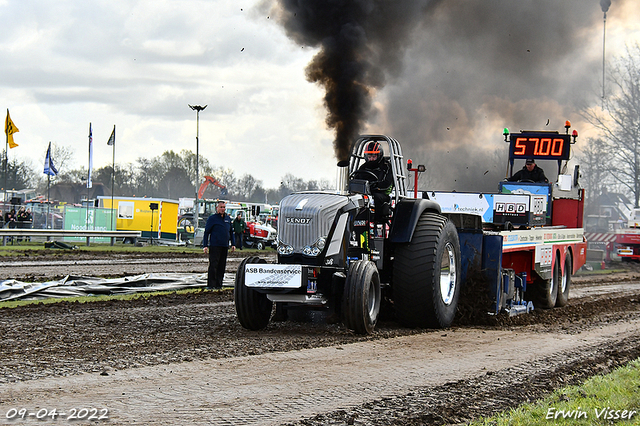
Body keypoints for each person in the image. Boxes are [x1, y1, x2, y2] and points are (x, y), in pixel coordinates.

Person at [355, 141, 394, 220]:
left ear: (379, 155)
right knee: (354, 199)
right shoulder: (363, 167)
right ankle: (354, 221)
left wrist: (375, 186)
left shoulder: (386, 166)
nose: (371, 159)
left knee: (376, 197)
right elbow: (356, 179)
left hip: (382, 194)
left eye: (373, 156)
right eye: (369, 156)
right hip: (364, 193)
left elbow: (387, 183)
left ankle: (376, 220)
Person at [202, 200, 235, 290]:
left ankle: (219, 284)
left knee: (222, 266)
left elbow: (231, 232)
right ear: (217, 208)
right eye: (221, 207)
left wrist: (233, 244)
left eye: (224, 207)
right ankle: (211, 285)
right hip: (215, 245)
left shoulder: (228, 219)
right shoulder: (212, 219)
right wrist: (205, 245)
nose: (222, 209)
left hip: (224, 246)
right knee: (214, 265)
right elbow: (206, 232)